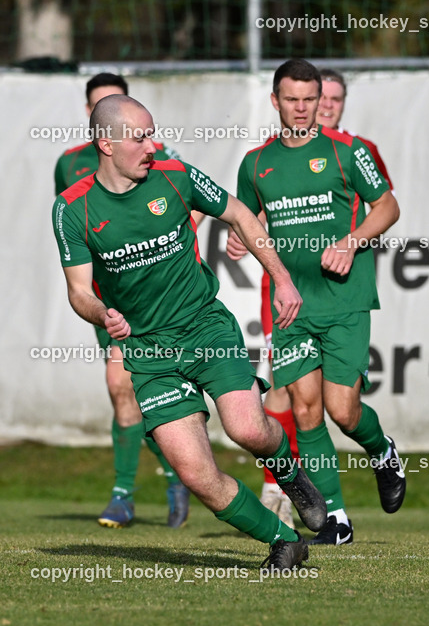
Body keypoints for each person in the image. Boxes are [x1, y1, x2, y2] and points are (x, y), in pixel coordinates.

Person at [52, 94, 327, 571]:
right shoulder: (71, 209)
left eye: (152, 133)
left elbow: (240, 214)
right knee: (195, 473)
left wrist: (282, 280)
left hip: (204, 326)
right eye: (139, 137)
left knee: (246, 429)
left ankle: (290, 472)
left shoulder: (175, 177)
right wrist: (102, 313)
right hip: (147, 351)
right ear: (106, 143)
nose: (152, 146)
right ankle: (285, 541)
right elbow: (79, 290)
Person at [232, 59, 405, 547]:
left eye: (311, 99)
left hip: (344, 300)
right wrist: (241, 238)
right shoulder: (256, 162)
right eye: (293, 99)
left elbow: (388, 206)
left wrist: (351, 242)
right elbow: (246, 217)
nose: (304, 108)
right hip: (292, 304)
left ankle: (383, 451)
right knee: (306, 412)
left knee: (342, 410)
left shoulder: (348, 151)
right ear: (276, 101)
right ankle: (336, 520)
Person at [53, 72, 190, 529]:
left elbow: (190, 209)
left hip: (155, 302)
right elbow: (77, 233)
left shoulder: (158, 159)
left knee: (133, 388)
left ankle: (159, 481)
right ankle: (147, 486)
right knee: (121, 392)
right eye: (100, 104)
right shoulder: (68, 165)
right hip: (107, 302)